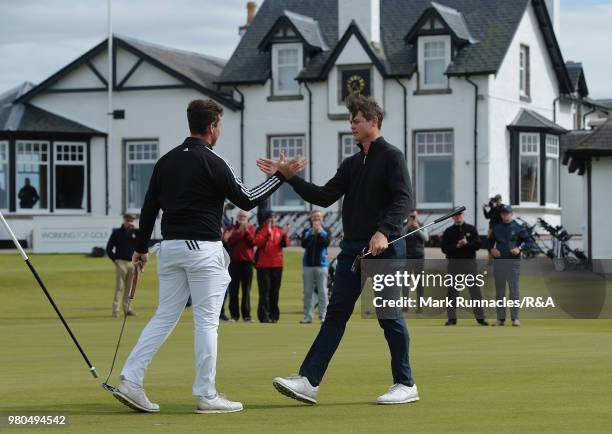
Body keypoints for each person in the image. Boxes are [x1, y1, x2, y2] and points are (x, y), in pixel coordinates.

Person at [112, 99, 304, 414]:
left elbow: (149, 208)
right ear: (213, 127)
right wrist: (281, 177)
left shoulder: (166, 161)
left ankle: (131, 380)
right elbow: (247, 198)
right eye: (219, 126)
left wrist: (141, 248)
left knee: (164, 316)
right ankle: (207, 394)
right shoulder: (215, 162)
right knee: (206, 322)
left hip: (170, 248)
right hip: (203, 250)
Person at [258, 94, 418, 405]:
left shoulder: (392, 157)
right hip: (352, 251)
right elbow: (323, 196)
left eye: (356, 121)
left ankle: (405, 382)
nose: (352, 126)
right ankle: (309, 381)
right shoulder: (352, 163)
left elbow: (403, 200)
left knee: (389, 316)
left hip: (386, 251)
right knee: (335, 315)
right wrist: (289, 179)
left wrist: (383, 231)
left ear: (373, 122)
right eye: (351, 121)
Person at [441, 210, 488, 326]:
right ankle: (452, 319)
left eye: (460, 215)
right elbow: (444, 249)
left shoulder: (471, 229)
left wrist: (467, 244)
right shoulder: (449, 231)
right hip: (454, 265)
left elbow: (478, 245)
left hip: (469, 265)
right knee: (452, 293)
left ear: (463, 216)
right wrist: (456, 246)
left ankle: (480, 318)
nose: (458, 218)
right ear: (453, 218)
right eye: (456, 216)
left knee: (475, 292)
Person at [489, 205, 532, 327]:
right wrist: (492, 249)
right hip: (499, 262)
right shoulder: (496, 227)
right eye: (503, 214)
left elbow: (529, 242)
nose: (505, 216)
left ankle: (515, 318)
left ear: (511, 214)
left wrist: (520, 249)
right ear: (501, 215)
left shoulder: (518, 227)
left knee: (513, 291)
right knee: (499, 292)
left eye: (507, 213)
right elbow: (489, 242)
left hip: (513, 263)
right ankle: (500, 319)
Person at [254, 210, 289, 323]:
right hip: (263, 266)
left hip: (277, 265)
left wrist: (284, 235)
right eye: (270, 218)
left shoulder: (279, 230)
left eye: (274, 218)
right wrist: (268, 234)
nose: (272, 220)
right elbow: (258, 243)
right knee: (265, 292)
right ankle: (264, 315)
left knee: (275, 291)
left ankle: (274, 315)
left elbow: (285, 244)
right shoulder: (261, 230)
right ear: (265, 220)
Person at [300, 209, 331, 324]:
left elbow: (326, 243)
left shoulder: (326, 231)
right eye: (314, 218)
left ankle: (324, 316)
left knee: (323, 291)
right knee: (308, 292)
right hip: (308, 266)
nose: (316, 220)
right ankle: (308, 316)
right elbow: (304, 244)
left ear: (322, 219)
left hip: (322, 266)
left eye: (318, 218)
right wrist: (313, 233)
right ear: (311, 219)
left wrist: (319, 232)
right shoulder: (307, 231)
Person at [225, 209, 256, 322]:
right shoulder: (232, 228)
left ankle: (246, 316)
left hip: (247, 263)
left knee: (246, 291)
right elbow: (229, 241)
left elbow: (253, 242)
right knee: (233, 290)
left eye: (244, 216)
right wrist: (239, 232)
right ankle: (234, 316)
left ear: (247, 218)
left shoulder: (251, 228)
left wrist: (246, 231)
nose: (242, 218)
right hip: (234, 263)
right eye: (240, 216)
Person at [106, 213, 139, 318]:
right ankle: (115, 311)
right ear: (124, 220)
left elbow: (143, 243)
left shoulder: (135, 232)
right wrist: (114, 259)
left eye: (132, 221)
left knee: (130, 288)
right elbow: (109, 248)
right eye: (128, 220)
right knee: (119, 287)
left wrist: (138, 230)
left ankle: (127, 309)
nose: (130, 222)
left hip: (133, 263)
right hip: (121, 262)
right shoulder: (117, 232)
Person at [404, 209, 428, 312]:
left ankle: (420, 306)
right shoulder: (404, 225)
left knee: (419, 282)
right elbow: (400, 236)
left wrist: (418, 228)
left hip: (419, 256)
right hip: (406, 257)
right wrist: (407, 226)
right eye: (411, 216)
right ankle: (405, 306)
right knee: (405, 283)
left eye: (414, 216)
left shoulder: (422, 225)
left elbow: (426, 238)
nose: (413, 218)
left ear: (417, 216)